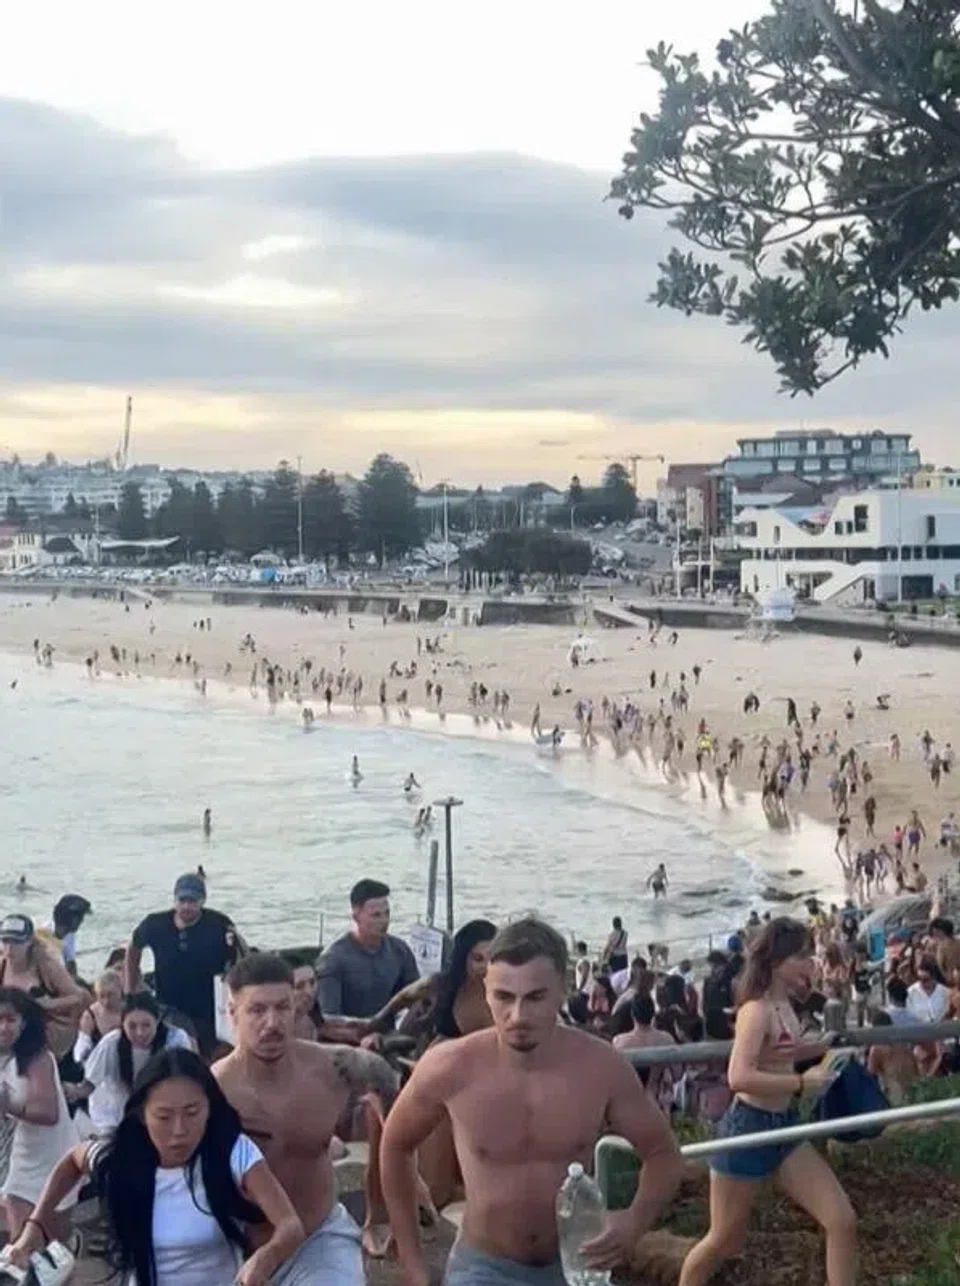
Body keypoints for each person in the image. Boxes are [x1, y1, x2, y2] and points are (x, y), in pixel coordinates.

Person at [380, 917, 684, 1286]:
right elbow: (395, 1145)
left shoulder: (601, 1067)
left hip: (574, 1265)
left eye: (535, 997)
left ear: (563, 988)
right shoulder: (450, 1066)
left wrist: (634, 1221)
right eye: (504, 997)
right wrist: (412, 1263)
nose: (518, 1016)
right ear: (486, 990)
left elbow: (663, 1154)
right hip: (483, 1266)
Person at [7, 1048, 304, 1286]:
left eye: (192, 1113)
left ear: (210, 1109)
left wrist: (266, 1257)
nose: (179, 1131)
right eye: (163, 1116)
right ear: (142, 1115)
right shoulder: (121, 1158)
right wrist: (36, 1224)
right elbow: (73, 1161)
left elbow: (290, 1225)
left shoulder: (232, 1152)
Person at [677, 917, 856, 1286]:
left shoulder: (783, 1003)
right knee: (724, 1240)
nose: (811, 963)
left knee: (841, 1220)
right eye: (802, 956)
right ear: (777, 962)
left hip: (784, 1128)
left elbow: (779, 1049)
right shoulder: (755, 1011)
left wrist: (819, 1046)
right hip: (749, 1128)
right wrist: (800, 1082)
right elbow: (738, 1075)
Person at [214, 952, 401, 1285]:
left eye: (282, 1008)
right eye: (257, 1010)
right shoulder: (211, 1091)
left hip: (316, 1238)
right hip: (233, 1247)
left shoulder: (336, 1069)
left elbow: (393, 1108)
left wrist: (394, 1210)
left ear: (296, 1007)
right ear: (232, 1014)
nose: (272, 1023)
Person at [124, 874, 239, 1055]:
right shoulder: (155, 924)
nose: (186, 906)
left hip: (209, 1004)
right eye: (182, 900)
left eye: (192, 901)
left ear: (203, 901)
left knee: (212, 1052)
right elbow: (133, 947)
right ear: (174, 899)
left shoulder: (219, 924)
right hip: (168, 1003)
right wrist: (131, 987)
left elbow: (238, 958)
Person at [0, 988, 80, 1242]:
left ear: (25, 1022)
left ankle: (68, 1253)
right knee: (20, 1240)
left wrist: (8, 1106)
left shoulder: (38, 1058)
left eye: (11, 1019)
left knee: (53, 1244)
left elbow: (49, 1113)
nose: (4, 1027)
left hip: (56, 1157)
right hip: (21, 1157)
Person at [68, 992, 193, 1134]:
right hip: (114, 1120)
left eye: (146, 1025)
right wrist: (72, 1091)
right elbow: (89, 1085)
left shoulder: (175, 1040)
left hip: (161, 1116)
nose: (139, 1033)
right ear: (122, 1024)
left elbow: (188, 1082)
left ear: (157, 1021)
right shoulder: (112, 1043)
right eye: (132, 1026)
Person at [317, 879, 419, 1021]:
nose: (384, 920)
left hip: (389, 1034)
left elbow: (416, 999)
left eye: (387, 913)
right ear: (356, 916)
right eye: (376, 915)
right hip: (345, 1037)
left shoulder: (400, 950)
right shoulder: (334, 958)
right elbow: (328, 1018)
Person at [0, 914, 89, 1062]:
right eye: (5, 941)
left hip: (42, 1033)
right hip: (8, 1030)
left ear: (29, 942)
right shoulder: (2, 965)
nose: (9, 949)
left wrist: (47, 1004)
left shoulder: (46, 964)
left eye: (16, 943)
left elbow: (78, 996)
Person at [72, 970, 124, 1066]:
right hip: (101, 1064)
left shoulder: (130, 1008)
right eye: (101, 996)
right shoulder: (90, 1015)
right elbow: (82, 1046)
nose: (106, 1001)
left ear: (120, 991)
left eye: (110, 995)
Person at [44, 895, 92, 977]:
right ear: (72, 919)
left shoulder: (69, 935)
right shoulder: (44, 936)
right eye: (80, 917)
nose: (82, 921)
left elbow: (71, 964)